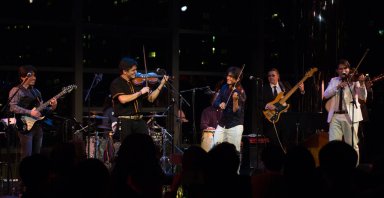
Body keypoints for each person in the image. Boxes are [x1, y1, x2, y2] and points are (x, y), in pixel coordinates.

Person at [110, 56, 169, 143]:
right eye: (133, 70)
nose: (136, 72)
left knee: (146, 143)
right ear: (125, 71)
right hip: (125, 121)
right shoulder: (117, 83)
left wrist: (161, 84)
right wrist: (140, 92)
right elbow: (123, 99)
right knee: (127, 147)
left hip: (139, 120)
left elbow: (151, 98)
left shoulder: (137, 83)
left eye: (136, 69)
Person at [9, 65, 58, 160]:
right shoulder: (16, 90)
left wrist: (53, 107)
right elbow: (12, 107)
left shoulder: (37, 92)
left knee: (37, 156)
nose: (34, 78)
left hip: (38, 126)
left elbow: (41, 109)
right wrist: (29, 112)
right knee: (26, 156)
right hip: (25, 126)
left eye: (35, 76)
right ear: (23, 77)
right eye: (31, 75)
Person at [323, 59, 367, 164]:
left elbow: (363, 97)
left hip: (350, 116)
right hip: (335, 116)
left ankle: (354, 169)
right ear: (337, 70)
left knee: (352, 145)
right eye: (341, 68)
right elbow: (325, 94)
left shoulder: (354, 81)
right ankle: (334, 169)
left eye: (345, 68)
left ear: (349, 69)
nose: (343, 70)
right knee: (333, 145)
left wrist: (362, 83)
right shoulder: (334, 80)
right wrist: (338, 87)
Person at [260, 68, 305, 152]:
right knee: (273, 142)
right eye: (269, 76)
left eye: (273, 75)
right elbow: (258, 102)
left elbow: (295, 99)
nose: (271, 77)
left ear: (278, 76)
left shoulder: (285, 85)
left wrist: (301, 91)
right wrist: (267, 105)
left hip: (286, 117)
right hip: (272, 118)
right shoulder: (264, 88)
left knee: (287, 141)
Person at [212, 66, 246, 152]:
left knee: (234, 152)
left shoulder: (240, 91)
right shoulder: (224, 87)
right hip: (222, 123)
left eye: (231, 77)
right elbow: (215, 103)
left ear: (237, 79)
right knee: (216, 148)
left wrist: (235, 100)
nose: (228, 78)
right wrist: (220, 104)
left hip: (235, 125)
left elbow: (236, 112)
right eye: (228, 75)